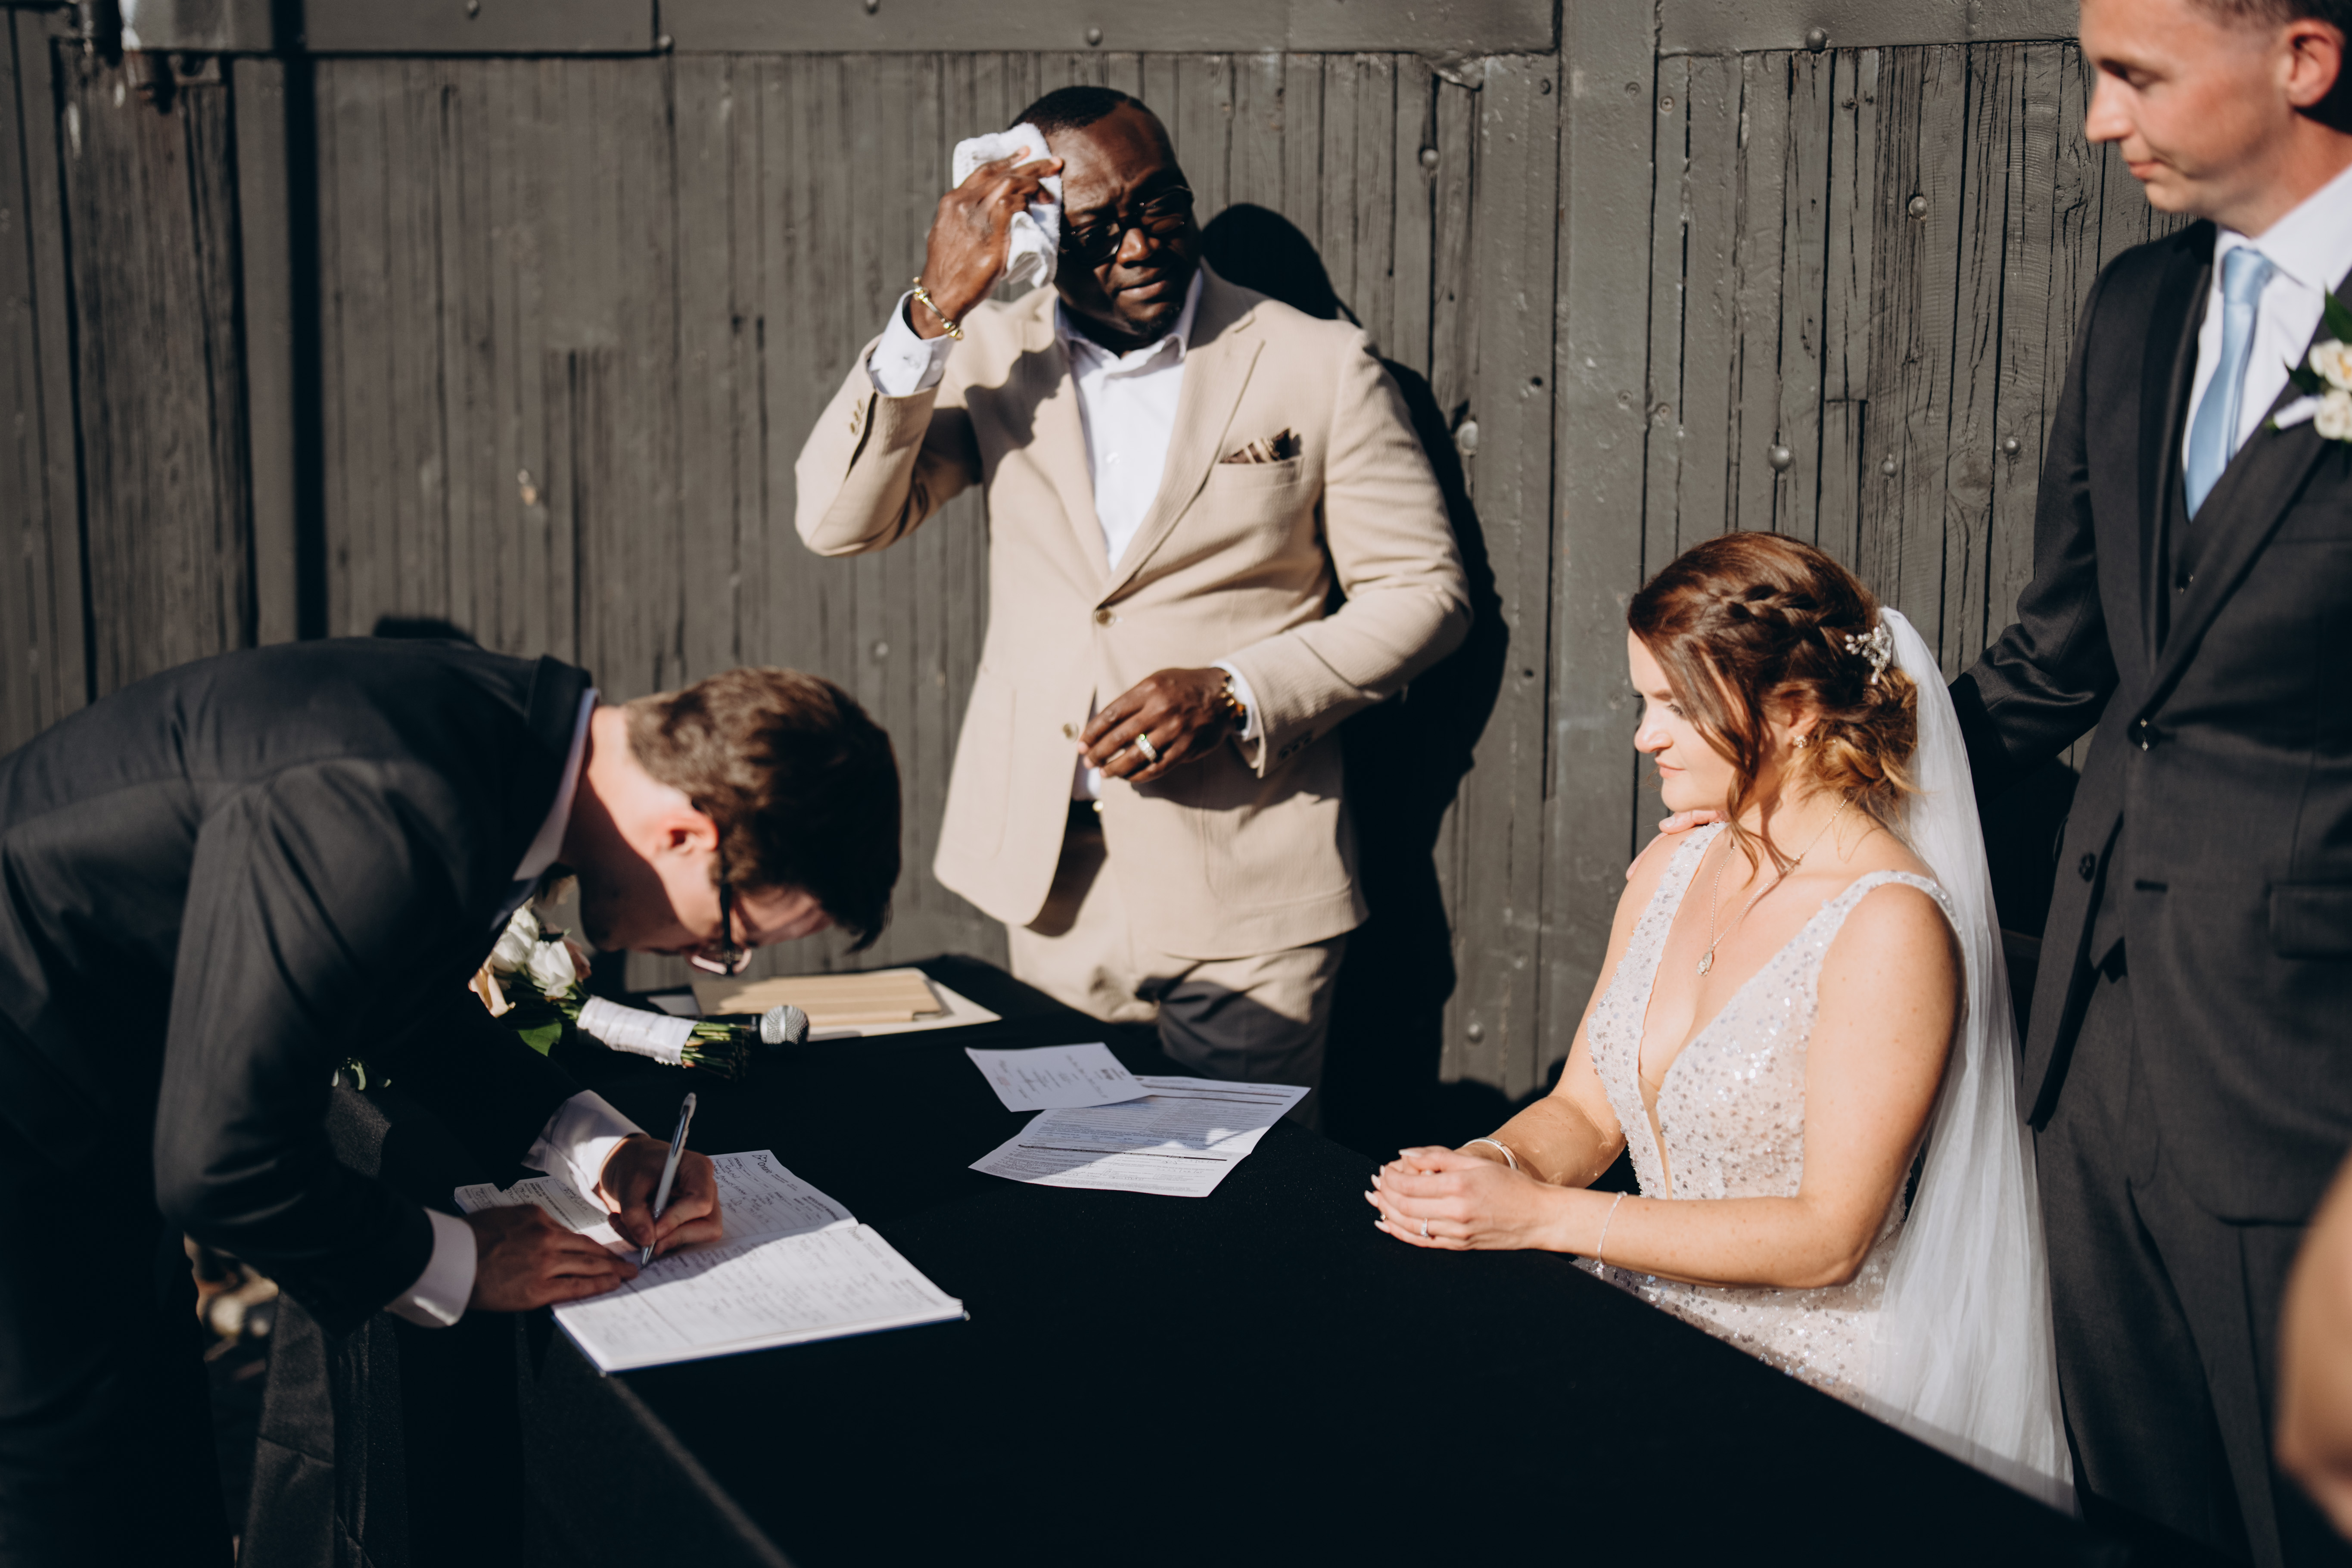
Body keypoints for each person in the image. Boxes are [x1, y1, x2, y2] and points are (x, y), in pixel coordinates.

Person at [0, 641, 898, 1565]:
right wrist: (462, 1260)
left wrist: (594, 1143)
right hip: (34, 1106)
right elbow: (221, 1163)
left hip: (92, 1104)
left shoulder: (509, 752)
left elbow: (398, 1002)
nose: (711, 960)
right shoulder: (394, 798)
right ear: (686, 835)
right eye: (734, 936)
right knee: (73, 1498)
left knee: (149, 1469)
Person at [793, 86, 1469, 1111]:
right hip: (1054, 885)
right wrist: (932, 311)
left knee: (1245, 1190)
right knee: (1067, 1174)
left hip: (1248, 884)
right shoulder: (993, 353)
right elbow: (839, 521)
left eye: (1161, 202)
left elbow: (1426, 592)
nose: (1142, 243)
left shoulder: (1320, 361)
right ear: (1034, 236)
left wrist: (1235, 689)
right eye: (1097, 228)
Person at [1367, 533, 2072, 1500]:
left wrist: (1543, 1217)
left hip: (1811, 1386)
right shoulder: (1669, 866)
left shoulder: (1887, 924)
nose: (1643, 737)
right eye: (1642, 702)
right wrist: (1490, 1164)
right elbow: (1583, 1111)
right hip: (1634, 1328)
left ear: (1792, 710)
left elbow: (1831, 1237)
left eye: (1674, 705)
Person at [1932, 0, 2352, 1556]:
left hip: (2308, 1078)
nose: (2100, 121)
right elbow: (2060, 656)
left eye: (2135, 77)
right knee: (2125, 1513)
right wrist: (1832, 775)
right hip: (2091, 1055)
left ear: (2302, 60)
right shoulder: (2134, 307)